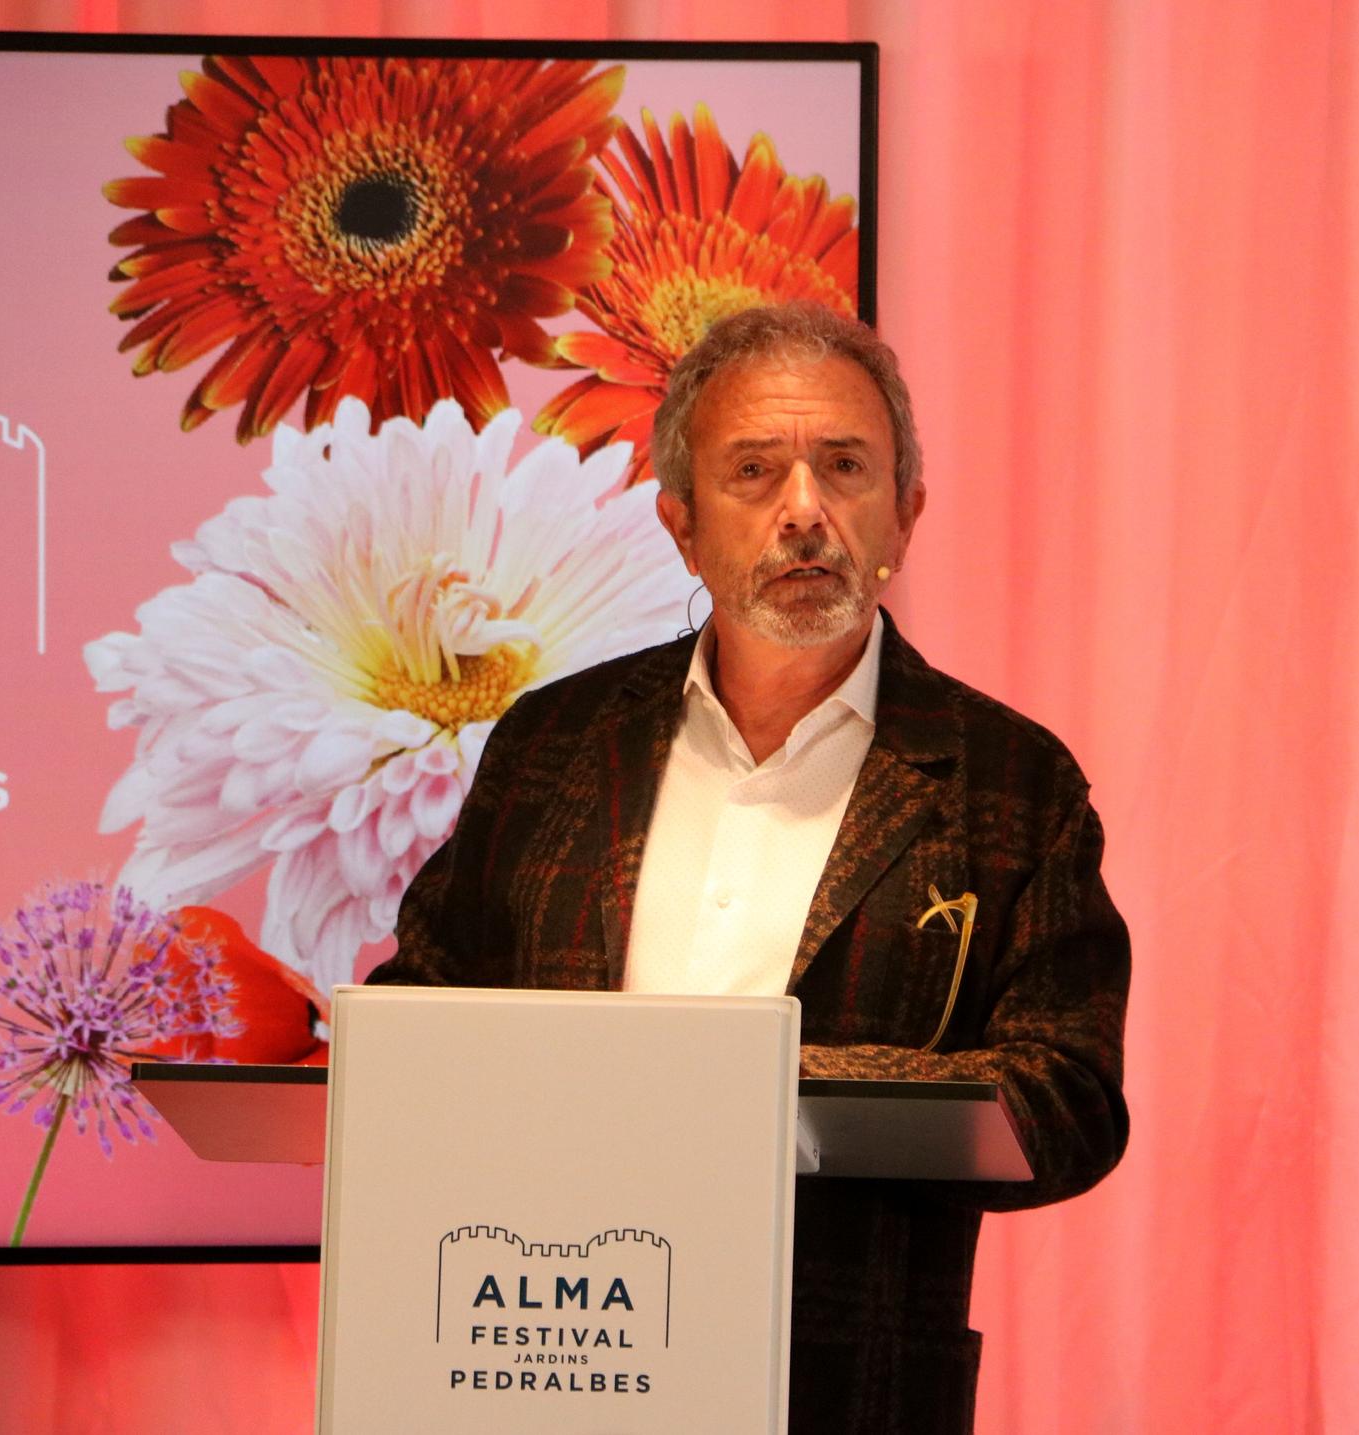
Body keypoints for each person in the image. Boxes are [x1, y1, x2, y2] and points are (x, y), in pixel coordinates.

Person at [369, 302, 1129, 1435]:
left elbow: (1067, 1101)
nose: (804, 512)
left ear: (904, 515)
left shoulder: (1008, 781)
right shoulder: (553, 747)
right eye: (753, 471)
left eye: (843, 467)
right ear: (681, 525)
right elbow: (418, 1013)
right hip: (539, 1365)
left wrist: (774, 1086)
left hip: (846, 1386)